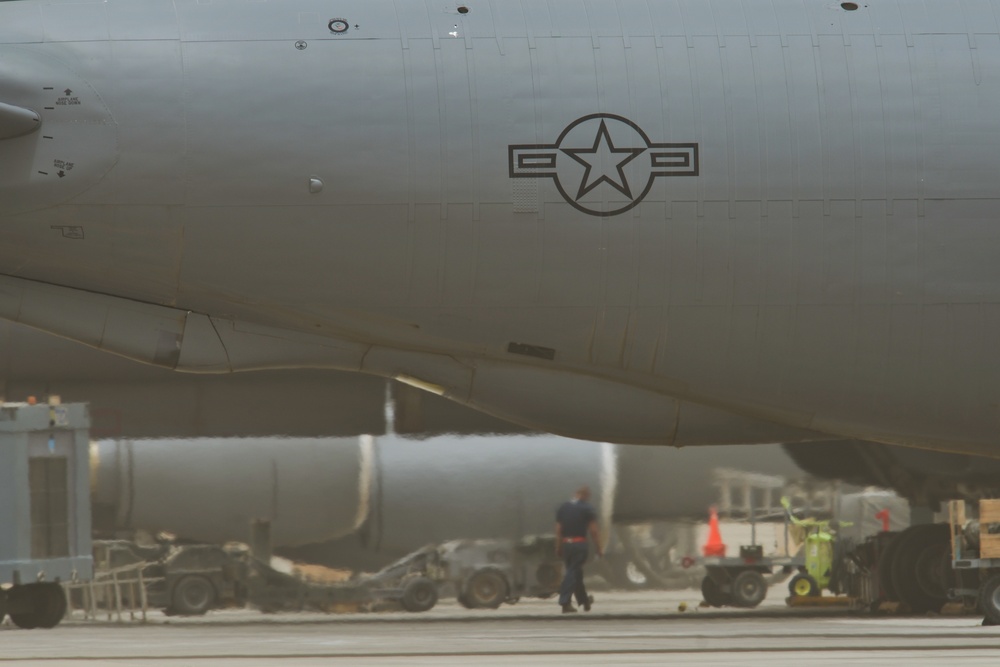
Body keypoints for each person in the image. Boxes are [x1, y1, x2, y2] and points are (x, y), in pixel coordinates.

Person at [555, 485, 603, 613]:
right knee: (572, 572)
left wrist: (558, 547)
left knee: (576, 573)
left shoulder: (563, 507)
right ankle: (565, 602)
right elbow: (594, 531)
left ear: (575, 493)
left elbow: (559, 531)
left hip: (566, 545)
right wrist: (599, 548)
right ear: (587, 496)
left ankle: (584, 601)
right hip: (579, 544)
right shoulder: (587, 508)